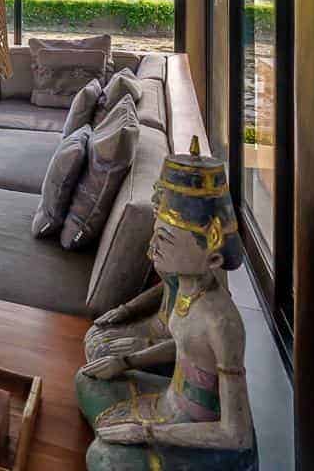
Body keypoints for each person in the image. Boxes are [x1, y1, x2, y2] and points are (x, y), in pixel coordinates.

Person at [75, 142, 257, 470]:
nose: (152, 246)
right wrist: (126, 361)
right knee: (86, 380)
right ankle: (115, 434)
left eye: (166, 239)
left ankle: (117, 441)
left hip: (195, 430)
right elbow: (183, 349)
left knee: (102, 458)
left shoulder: (221, 322)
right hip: (168, 402)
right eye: (157, 234)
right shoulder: (187, 291)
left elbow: (238, 434)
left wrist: (147, 432)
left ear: (212, 257)